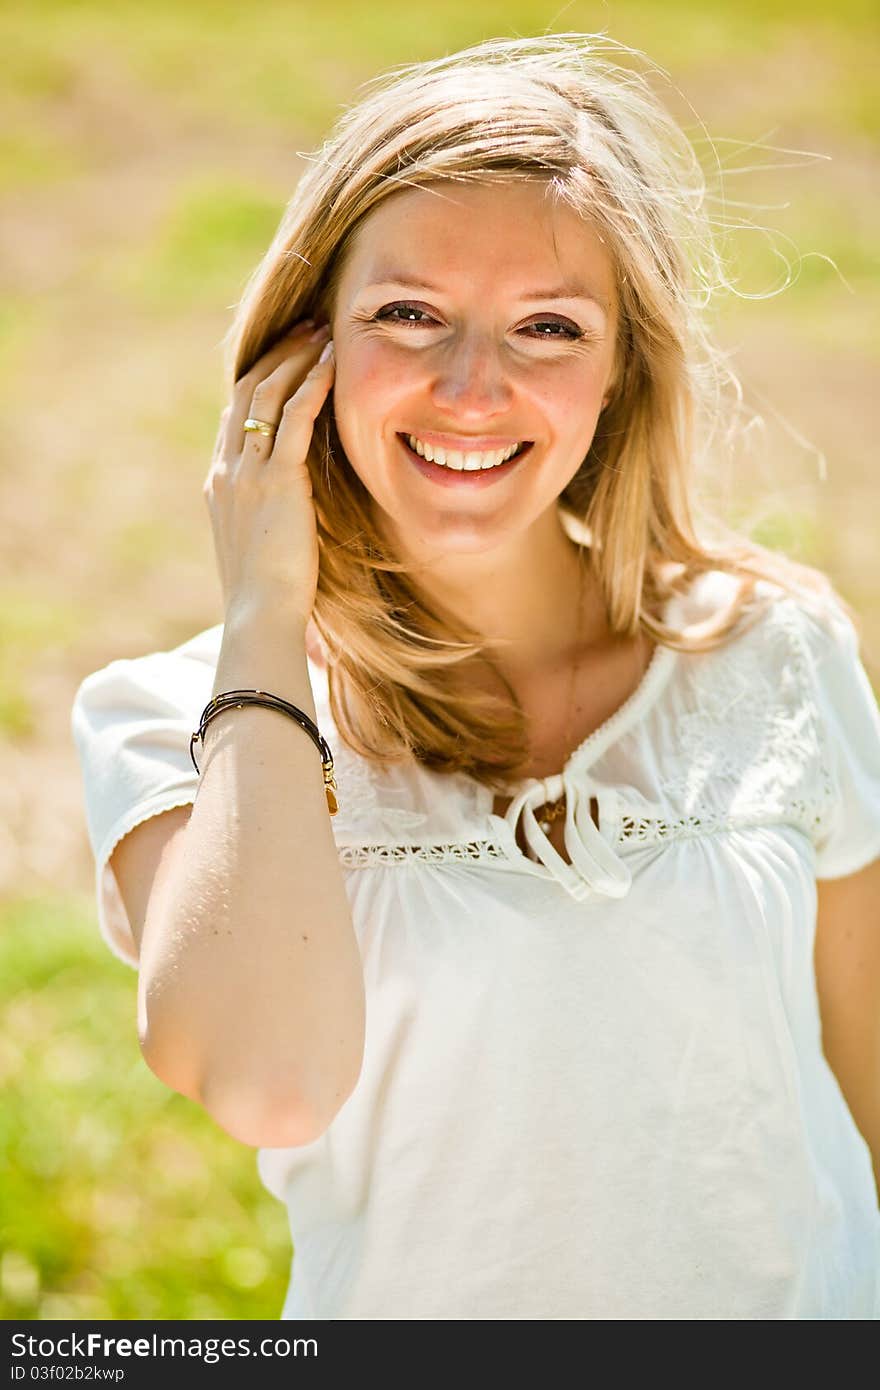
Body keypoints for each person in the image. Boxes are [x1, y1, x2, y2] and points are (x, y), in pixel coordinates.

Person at [70, 34, 880, 1320]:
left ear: (622, 375)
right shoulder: (171, 719)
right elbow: (271, 1080)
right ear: (302, 351)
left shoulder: (775, 650)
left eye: (549, 327)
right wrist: (266, 613)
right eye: (408, 313)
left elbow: (866, 1089)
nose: (469, 387)